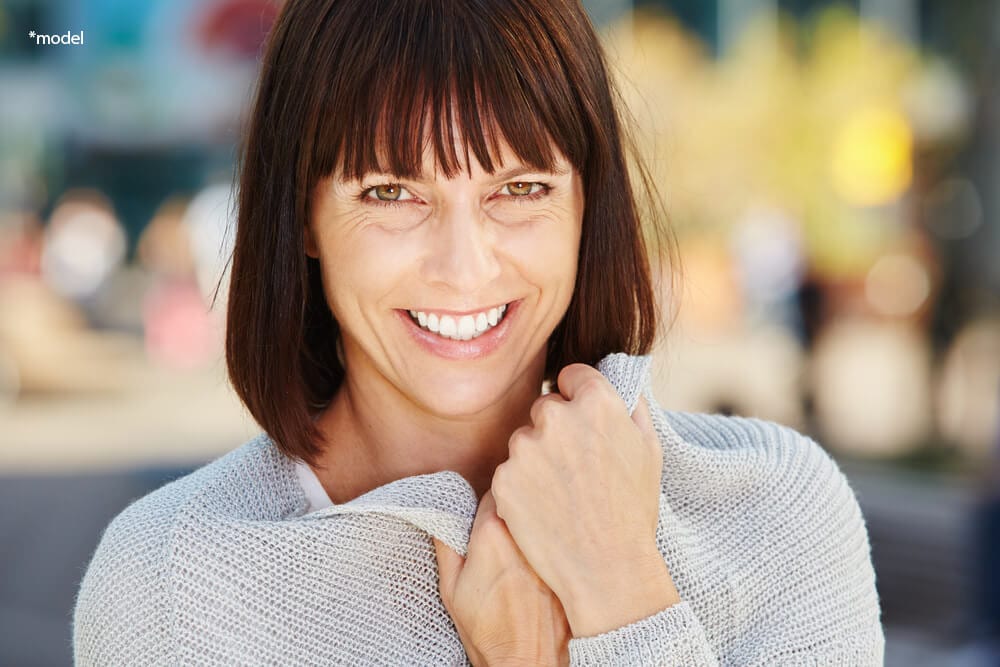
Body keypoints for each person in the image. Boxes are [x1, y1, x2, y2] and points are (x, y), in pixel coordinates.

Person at [72, 0, 884, 664]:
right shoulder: (171, 584)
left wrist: (620, 593)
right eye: (392, 192)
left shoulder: (776, 515)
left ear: (584, 208)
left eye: (520, 188)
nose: (463, 268)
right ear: (303, 215)